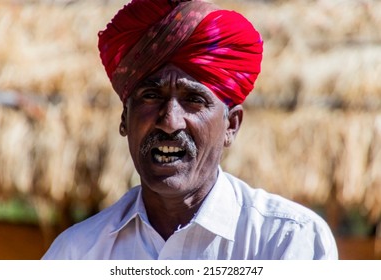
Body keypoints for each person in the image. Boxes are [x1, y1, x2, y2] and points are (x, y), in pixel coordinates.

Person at [42, 0, 338, 260]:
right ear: (124, 119)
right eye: (150, 96)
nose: (170, 121)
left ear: (231, 126)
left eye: (194, 100)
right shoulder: (76, 254)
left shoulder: (287, 242)